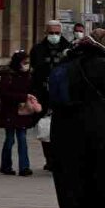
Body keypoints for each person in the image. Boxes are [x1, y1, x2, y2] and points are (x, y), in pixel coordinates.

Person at [51, 29, 105, 208]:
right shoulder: (102, 64)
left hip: (64, 126)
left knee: (72, 173)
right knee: (100, 172)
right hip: (95, 125)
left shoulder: (67, 61)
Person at [29, 20, 69, 169]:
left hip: (62, 94)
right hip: (43, 93)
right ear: (46, 33)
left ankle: (60, 157)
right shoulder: (38, 49)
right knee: (44, 127)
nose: (54, 35)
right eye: (51, 33)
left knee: (62, 128)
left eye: (57, 33)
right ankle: (49, 159)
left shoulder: (68, 48)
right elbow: (33, 72)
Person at [0, 51, 38, 176]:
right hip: (9, 111)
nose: (27, 65)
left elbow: (33, 89)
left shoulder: (29, 76)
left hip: (23, 111)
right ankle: (6, 165)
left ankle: (24, 167)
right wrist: (23, 96)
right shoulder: (8, 76)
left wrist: (32, 98)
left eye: (28, 63)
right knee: (9, 140)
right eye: (24, 62)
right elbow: (3, 94)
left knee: (22, 138)